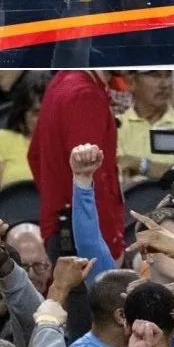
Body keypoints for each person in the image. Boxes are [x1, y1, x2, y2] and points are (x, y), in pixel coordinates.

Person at [28, 69, 124, 259]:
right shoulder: (85, 95)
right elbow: (95, 178)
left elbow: (35, 156)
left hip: (64, 230)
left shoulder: (62, 80)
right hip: (88, 241)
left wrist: (55, 197)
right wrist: (112, 244)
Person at [115, 70, 174, 184]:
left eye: (168, 75)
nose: (164, 84)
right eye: (154, 75)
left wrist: (140, 165)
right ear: (132, 82)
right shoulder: (116, 126)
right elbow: (118, 178)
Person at [0, 74, 43, 197]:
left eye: (50, 110)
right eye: (36, 113)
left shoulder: (70, 145)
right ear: (23, 113)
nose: (44, 118)